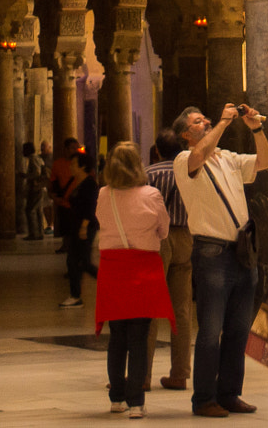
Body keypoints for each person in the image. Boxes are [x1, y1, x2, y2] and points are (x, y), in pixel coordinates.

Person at [172, 102, 268, 418]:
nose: (205, 123)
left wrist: (256, 129)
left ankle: (229, 393)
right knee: (211, 330)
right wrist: (224, 123)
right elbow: (200, 156)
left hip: (242, 252)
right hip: (212, 253)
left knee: (239, 328)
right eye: (198, 122)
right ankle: (203, 398)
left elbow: (266, 161)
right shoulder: (185, 159)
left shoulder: (228, 158)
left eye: (205, 119)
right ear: (187, 134)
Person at [95, 141, 174, 419]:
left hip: (113, 269)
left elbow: (100, 221)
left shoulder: (104, 194)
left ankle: (116, 397)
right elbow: (163, 230)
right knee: (139, 337)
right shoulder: (151, 194)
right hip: (142, 269)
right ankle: (136, 402)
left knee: (117, 337)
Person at [145, 130, 194, 393]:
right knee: (182, 309)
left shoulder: (149, 173)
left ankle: (143, 374)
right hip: (185, 236)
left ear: (157, 150)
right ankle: (180, 373)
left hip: (157, 239)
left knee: (151, 306)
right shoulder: (190, 171)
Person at [61, 151, 101, 307]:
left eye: (73, 164)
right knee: (73, 261)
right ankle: (75, 295)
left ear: (82, 166)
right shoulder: (77, 181)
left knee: (83, 262)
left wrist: (84, 227)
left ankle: (109, 284)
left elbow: (90, 208)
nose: (70, 167)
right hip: (76, 226)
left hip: (85, 227)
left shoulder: (90, 184)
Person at [52, 137, 84, 249]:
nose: (75, 150)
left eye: (77, 148)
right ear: (65, 149)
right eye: (72, 148)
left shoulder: (82, 163)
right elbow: (54, 182)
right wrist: (55, 196)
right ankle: (66, 245)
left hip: (79, 202)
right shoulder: (57, 164)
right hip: (65, 201)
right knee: (65, 226)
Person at [20, 142, 48, 241]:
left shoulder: (33, 159)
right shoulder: (38, 158)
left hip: (35, 188)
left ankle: (34, 233)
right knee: (38, 211)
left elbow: (37, 172)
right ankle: (40, 233)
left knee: (30, 210)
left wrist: (25, 176)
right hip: (39, 188)